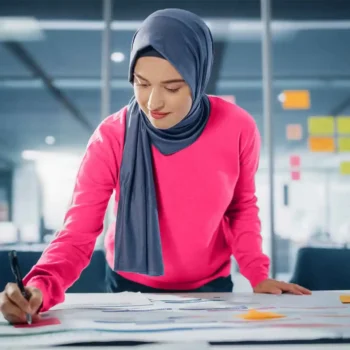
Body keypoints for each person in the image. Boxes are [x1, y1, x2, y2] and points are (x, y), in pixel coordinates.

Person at [0, 8, 311, 324]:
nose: (153, 103)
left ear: (198, 77)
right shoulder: (112, 136)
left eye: (173, 87)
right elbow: (78, 230)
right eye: (142, 83)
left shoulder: (237, 127)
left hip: (212, 287)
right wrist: (39, 286)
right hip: (128, 288)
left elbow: (241, 208)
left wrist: (258, 275)